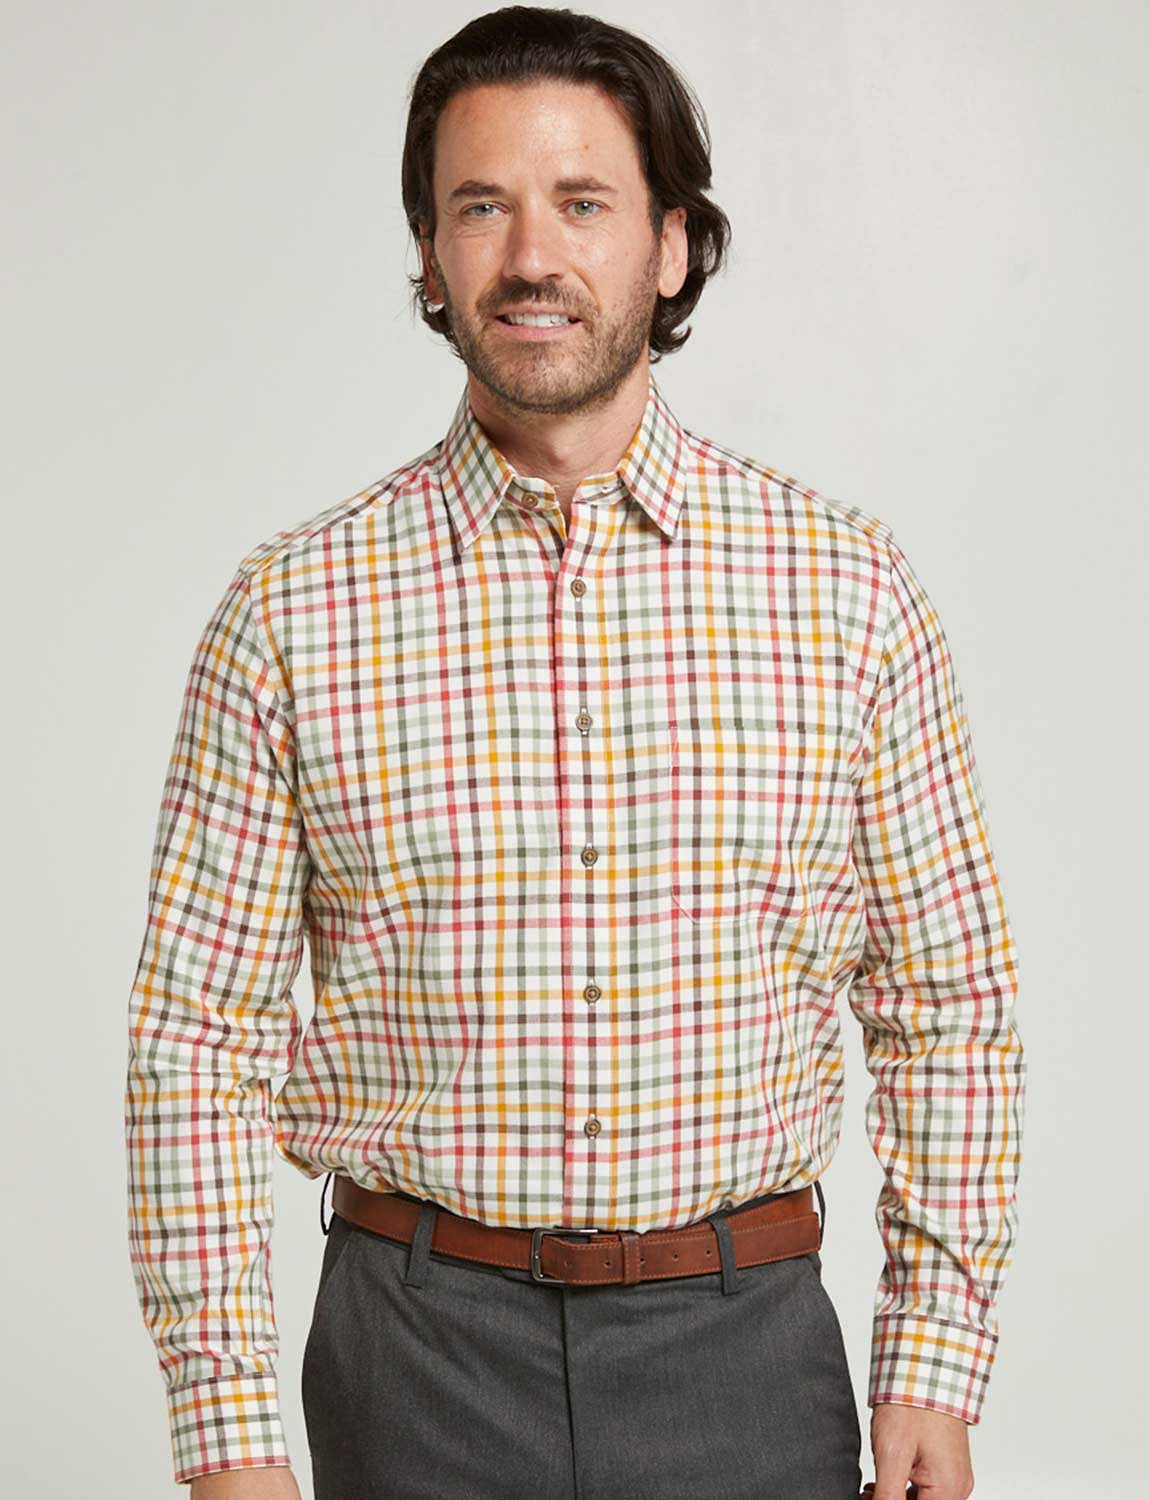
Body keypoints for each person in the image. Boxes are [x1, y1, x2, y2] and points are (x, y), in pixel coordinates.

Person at [124, 7, 1027, 1498]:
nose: (530, 255)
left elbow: (947, 1005)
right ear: (428, 255)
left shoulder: (847, 594)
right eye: (480, 206)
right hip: (414, 1359)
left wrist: (933, 1351)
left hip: (743, 1352)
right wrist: (225, 1429)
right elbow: (197, 1042)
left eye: (583, 202)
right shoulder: (290, 613)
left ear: (670, 245)